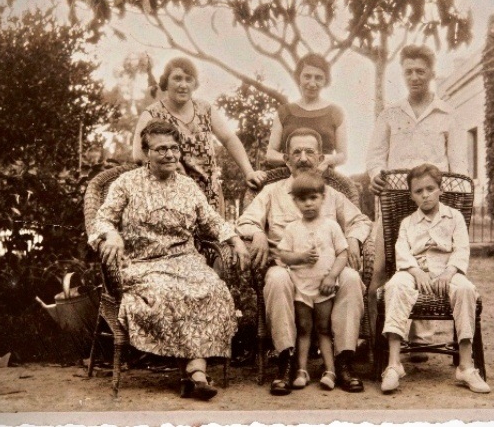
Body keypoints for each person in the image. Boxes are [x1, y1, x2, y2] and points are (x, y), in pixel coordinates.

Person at [90, 120, 251, 401]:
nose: (170, 155)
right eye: (161, 149)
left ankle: (193, 375)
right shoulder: (126, 183)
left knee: (213, 289)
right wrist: (111, 235)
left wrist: (234, 240)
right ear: (146, 153)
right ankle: (196, 373)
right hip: (142, 263)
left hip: (185, 260)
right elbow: (102, 219)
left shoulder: (188, 186)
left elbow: (211, 221)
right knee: (168, 293)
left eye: (174, 148)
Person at [237, 127, 371, 395]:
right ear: (286, 160)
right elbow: (245, 221)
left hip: (327, 275)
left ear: (320, 157)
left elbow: (360, 221)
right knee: (276, 278)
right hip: (288, 270)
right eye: (296, 152)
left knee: (351, 277)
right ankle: (285, 362)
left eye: (310, 152)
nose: (303, 158)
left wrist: (354, 238)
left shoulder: (331, 194)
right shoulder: (271, 192)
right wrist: (258, 233)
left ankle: (344, 361)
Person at [365, 44, 466, 353]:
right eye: (408, 71)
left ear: (431, 73)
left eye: (420, 71)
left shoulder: (448, 115)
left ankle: (420, 339)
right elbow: (375, 158)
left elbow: (459, 166)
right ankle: (378, 342)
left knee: (428, 262)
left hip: (432, 201)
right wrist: (376, 175)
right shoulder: (390, 114)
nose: (414, 77)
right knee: (381, 269)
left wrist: (450, 204)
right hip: (394, 201)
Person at [380, 164, 490, 394]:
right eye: (418, 191)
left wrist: (449, 272)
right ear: (411, 195)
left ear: (440, 189)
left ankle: (466, 365)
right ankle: (393, 364)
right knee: (395, 286)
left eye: (430, 189)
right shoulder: (408, 222)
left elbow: (461, 248)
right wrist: (415, 271)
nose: (425, 195)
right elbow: (402, 250)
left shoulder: (454, 217)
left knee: (466, 289)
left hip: (447, 271)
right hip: (414, 271)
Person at [132, 57, 266, 211]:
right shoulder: (152, 114)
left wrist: (249, 172)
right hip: (172, 198)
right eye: (177, 78)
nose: (183, 85)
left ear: (194, 84)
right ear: (166, 82)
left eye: (189, 79)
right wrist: (170, 169)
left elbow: (229, 139)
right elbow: (138, 155)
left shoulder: (205, 109)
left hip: (210, 196)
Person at [278, 172, 349, 390]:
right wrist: (300, 257)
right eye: (302, 199)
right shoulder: (292, 228)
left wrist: (332, 276)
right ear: (295, 201)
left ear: (322, 198)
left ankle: (330, 371)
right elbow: (283, 255)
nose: (308, 203)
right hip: (301, 286)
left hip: (324, 287)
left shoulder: (331, 226)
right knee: (304, 328)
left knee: (324, 328)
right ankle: (302, 370)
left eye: (313, 198)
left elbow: (342, 253)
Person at [265, 53, 348, 171]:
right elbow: (270, 154)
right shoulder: (284, 112)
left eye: (318, 78)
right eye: (307, 76)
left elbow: (343, 155)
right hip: (290, 176)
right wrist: (292, 159)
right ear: (299, 77)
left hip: (323, 175)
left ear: (325, 80)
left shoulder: (335, 112)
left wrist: (326, 159)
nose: (312, 83)